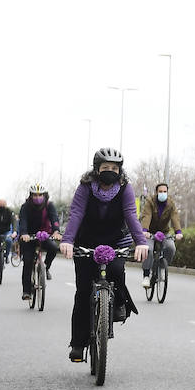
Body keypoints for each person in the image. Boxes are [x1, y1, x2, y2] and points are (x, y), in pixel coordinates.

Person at [57, 147, 149, 362]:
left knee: (117, 270)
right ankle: (78, 344)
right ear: (96, 169)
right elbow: (76, 213)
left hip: (115, 239)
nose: (110, 171)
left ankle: (117, 303)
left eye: (114, 168)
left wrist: (141, 242)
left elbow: (131, 215)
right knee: (82, 292)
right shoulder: (85, 187)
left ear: (120, 171)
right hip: (85, 241)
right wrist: (68, 240)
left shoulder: (125, 188)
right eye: (105, 167)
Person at [17, 184, 61, 299]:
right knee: (27, 262)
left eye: (40, 195)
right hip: (29, 237)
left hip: (45, 234)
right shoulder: (25, 207)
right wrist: (24, 234)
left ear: (44, 195)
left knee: (53, 249)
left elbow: (54, 218)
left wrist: (56, 231)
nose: (37, 197)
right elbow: (23, 221)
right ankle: (26, 291)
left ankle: (46, 268)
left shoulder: (49, 205)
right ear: (31, 196)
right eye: (35, 195)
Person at [139, 182, 183, 284]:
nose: (163, 193)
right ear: (156, 192)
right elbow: (147, 216)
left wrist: (178, 232)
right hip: (150, 232)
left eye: (165, 191)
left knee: (171, 247)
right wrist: (144, 231)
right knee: (148, 249)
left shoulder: (170, 204)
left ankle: (161, 268)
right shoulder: (150, 202)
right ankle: (146, 275)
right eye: (160, 191)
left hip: (164, 232)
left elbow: (175, 217)